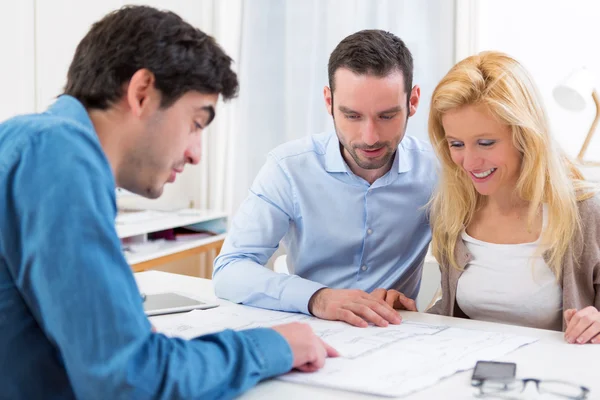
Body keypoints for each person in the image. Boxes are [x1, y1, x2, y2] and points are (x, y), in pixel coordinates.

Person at [0, 6, 337, 399]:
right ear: (142, 92)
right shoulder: (59, 155)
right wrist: (274, 346)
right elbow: (133, 380)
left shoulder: (29, 142)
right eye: (196, 123)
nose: (196, 154)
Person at [213, 29, 437, 328]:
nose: (369, 137)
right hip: (312, 332)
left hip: (396, 333)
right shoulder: (288, 169)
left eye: (386, 116)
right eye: (352, 116)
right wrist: (319, 298)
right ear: (329, 101)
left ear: (413, 101)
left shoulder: (439, 173)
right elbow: (229, 269)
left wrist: (420, 307)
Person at [420, 51, 600, 344]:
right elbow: (457, 316)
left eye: (486, 143)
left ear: (525, 135)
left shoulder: (584, 213)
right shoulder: (453, 212)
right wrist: (409, 318)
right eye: (456, 144)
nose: (469, 162)